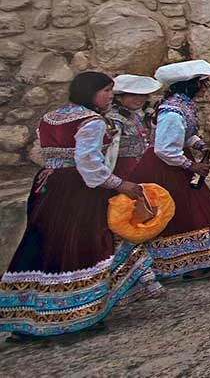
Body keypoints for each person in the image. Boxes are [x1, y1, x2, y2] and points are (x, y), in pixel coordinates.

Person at [1, 72, 163, 340]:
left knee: (44, 246)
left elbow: (47, 153)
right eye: (106, 91)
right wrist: (122, 185)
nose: (110, 96)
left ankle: (29, 318)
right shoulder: (92, 122)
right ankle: (73, 316)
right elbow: (90, 167)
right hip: (79, 192)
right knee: (82, 248)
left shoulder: (52, 117)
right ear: (90, 92)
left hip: (49, 188)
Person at [131, 60, 210, 280]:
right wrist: (192, 165)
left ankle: (197, 261)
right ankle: (188, 264)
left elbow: (184, 134)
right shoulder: (173, 111)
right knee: (182, 213)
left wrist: (200, 145)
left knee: (190, 210)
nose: (205, 88)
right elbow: (165, 149)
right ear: (192, 86)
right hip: (166, 168)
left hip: (175, 164)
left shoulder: (180, 106)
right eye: (202, 84)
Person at [105, 73, 163, 179]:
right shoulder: (114, 119)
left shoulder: (140, 115)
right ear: (119, 97)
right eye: (133, 95)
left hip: (143, 166)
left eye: (142, 95)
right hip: (124, 169)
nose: (139, 99)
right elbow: (111, 150)